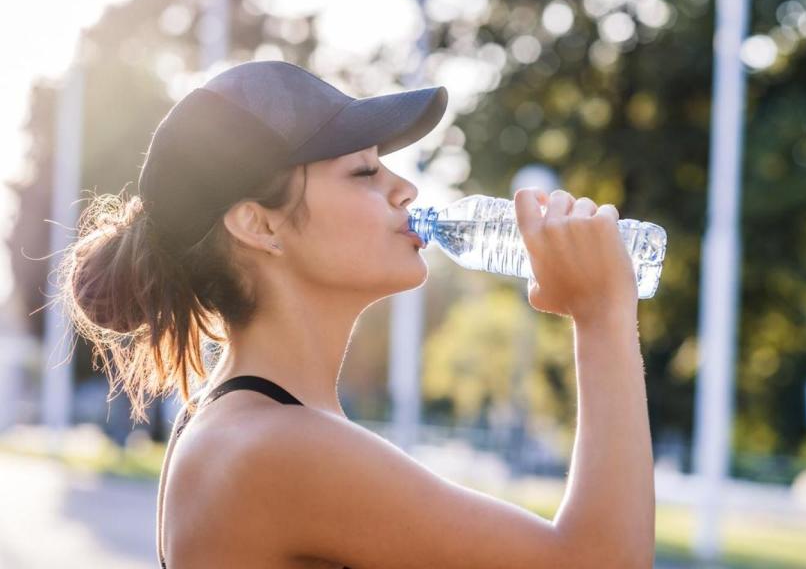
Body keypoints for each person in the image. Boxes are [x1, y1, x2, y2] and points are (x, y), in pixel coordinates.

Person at [58, 60, 653, 568]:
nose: (406, 190)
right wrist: (601, 317)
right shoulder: (272, 447)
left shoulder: (256, 426)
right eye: (366, 171)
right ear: (259, 224)